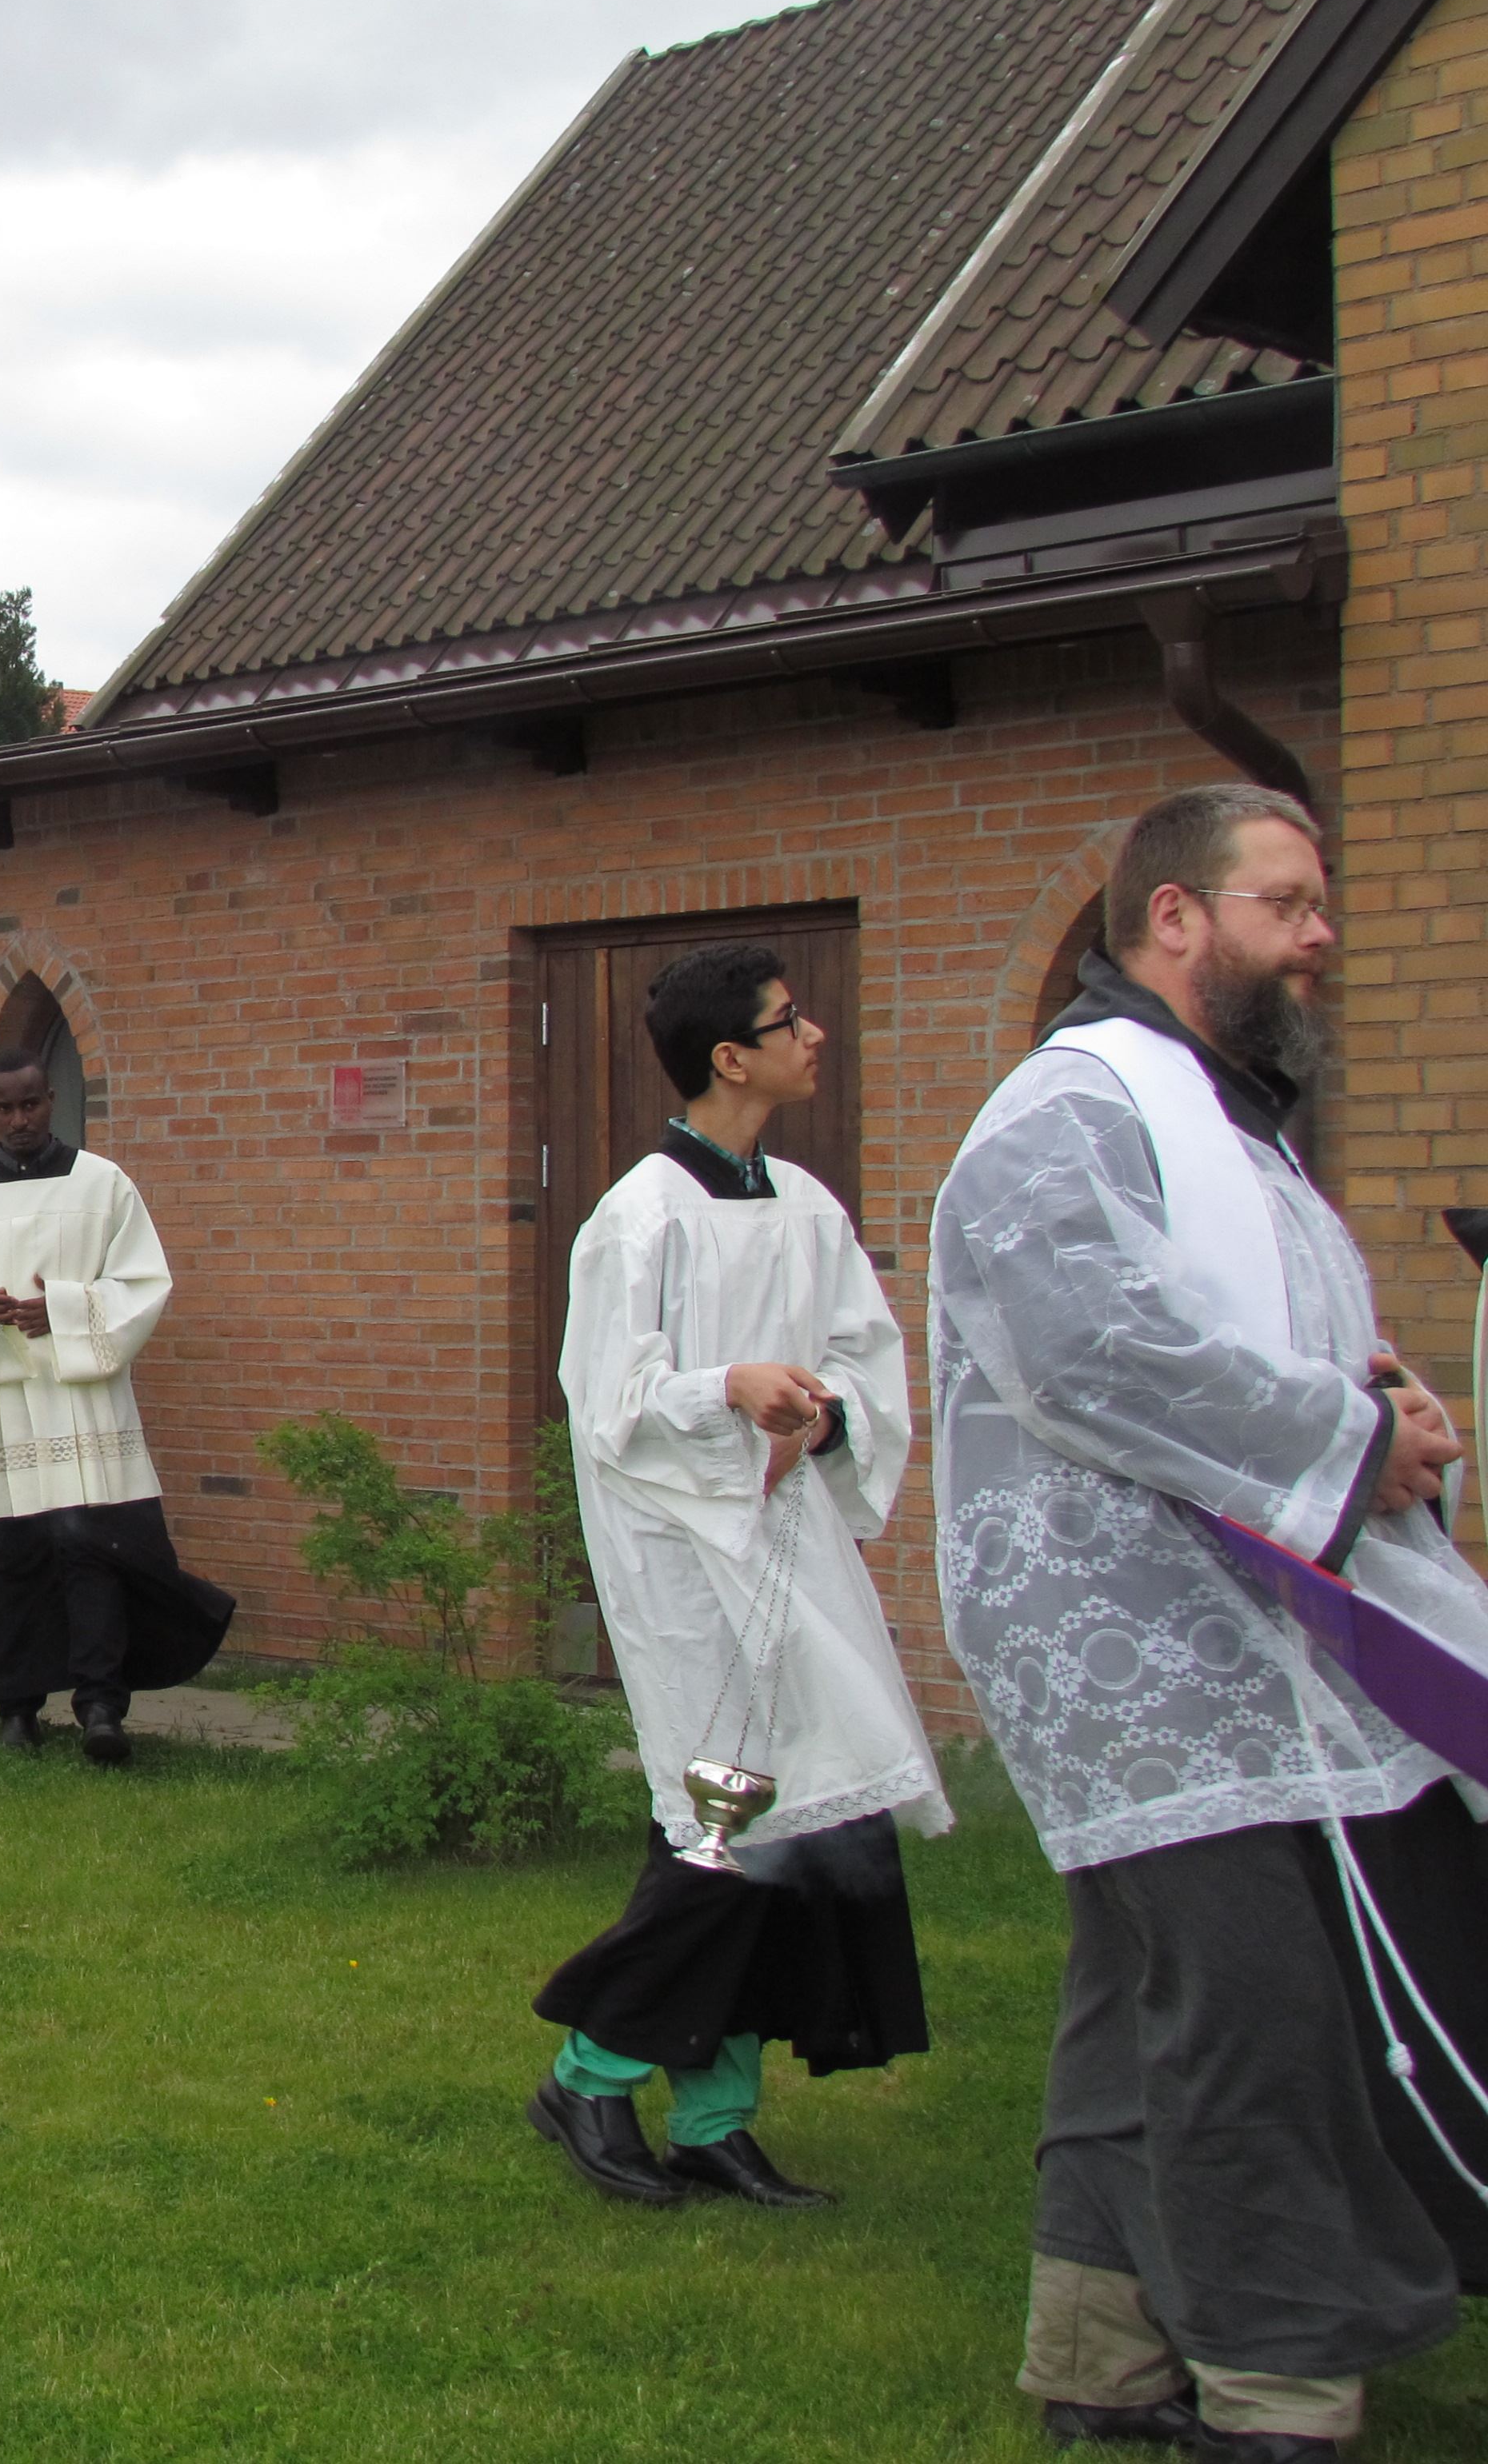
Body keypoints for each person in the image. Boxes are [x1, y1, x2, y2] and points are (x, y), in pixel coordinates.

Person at [933, 783, 1488, 2458]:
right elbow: (1080, 1349)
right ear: (1176, 917)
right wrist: (1345, 1444)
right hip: (1145, 1640)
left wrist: (1387, 1410)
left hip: (1251, 1631)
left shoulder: (1237, 1131)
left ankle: (1098, 2359)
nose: (1320, 939)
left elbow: (1251, 1346)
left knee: (1150, 1992)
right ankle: (1278, 2387)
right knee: (1265, 2007)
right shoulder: (1074, 1108)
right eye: (1289, 903)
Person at [526, 943, 942, 2215]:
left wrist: (820, 1421)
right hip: (678, 1558)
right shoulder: (641, 1217)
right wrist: (730, 1387)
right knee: (723, 1824)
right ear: (730, 1057)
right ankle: (589, 2072)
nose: (814, 1035)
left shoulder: (806, 1207)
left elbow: (866, 1358)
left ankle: (714, 2117)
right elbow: (608, 1400)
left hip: (784, 1546)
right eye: (788, 1021)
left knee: (801, 1821)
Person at [0, 1048, 230, 1760]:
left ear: (50, 1099)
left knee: (96, 1551)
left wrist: (59, 1309)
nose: (19, 1120)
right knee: (10, 1556)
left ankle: (100, 1705)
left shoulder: (104, 1184)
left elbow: (144, 1282)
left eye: (30, 1104)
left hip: (84, 1401)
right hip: (7, 1402)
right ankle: (17, 1706)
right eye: (4, 1108)